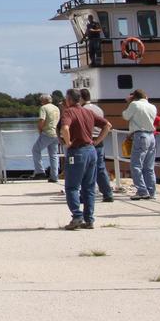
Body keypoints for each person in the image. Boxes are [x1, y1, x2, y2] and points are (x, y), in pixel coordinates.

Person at [59, 89, 99, 230]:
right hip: (91, 150)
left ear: (69, 100)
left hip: (77, 152)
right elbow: (107, 125)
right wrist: (97, 141)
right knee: (89, 187)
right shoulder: (88, 112)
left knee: (72, 187)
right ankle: (89, 220)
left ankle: (77, 216)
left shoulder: (68, 112)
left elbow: (65, 127)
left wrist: (68, 142)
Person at [79, 88, 115, 202]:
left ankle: (85, 195)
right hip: (99, 141)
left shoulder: (82, 110)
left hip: (86, 141)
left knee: (84, 169)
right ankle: (107, 193)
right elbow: (106, 125)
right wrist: (99, 140)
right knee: (100, 168)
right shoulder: (98, 109)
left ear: (81, 98)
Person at [122, 89, 158, 200]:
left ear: (134, 97)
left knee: (136, 165)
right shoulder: (153, 107)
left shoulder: (134, 104)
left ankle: (142, 191)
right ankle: (151, 191)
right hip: (151, 136)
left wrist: (128, 103)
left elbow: (125, 116)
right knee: (149, 166)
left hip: (140, 135)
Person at [31, 94, 61, 182]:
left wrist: (40, 129)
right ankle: (54, 176)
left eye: (41, 101)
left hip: (47, 133)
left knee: (35, 150)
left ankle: (40, 171)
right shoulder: (56, 108)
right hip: (56, 133)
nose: (40, 102)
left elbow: (42, 120)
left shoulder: (44, 108)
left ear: (43, 101)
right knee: (54, 155)